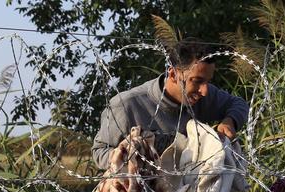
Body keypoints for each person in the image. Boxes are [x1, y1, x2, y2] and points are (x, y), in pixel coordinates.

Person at [92, 38, 249, 170]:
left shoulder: (203, 96)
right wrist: (139, 156)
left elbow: (239, 104)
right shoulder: (127, 105)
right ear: (173, 74)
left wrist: (230, 121)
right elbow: (99, 153)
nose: (205, 91)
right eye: (197, 81)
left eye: (208, 81)